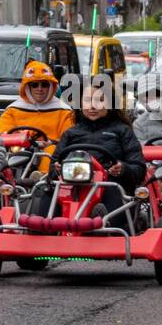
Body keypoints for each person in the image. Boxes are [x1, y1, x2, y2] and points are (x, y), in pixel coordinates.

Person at [35, 77, 146, 231]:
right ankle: (42, 230)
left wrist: (123, 169)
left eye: (99, 100)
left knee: (113, 192)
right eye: (87, 100)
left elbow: (139, 168)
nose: (92, 106)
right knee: (48, 190)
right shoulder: (71, 133)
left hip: (108, 184)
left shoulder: (122, 131)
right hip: (70, 186)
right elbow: (53, 166)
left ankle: (106, 229)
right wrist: (57, 169)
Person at [0, 60, 74, 172]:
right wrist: (23, 140)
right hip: (20, 149)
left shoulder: (64, 111)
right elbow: (3, 133)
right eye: (35, 85)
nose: (39, 88)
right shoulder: (12, 110)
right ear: (27, 87)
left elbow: (68, 138)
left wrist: (51, 142)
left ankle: (43, 178)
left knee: (51, 151)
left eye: (44, 84)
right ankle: (8, 181)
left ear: (51, 86)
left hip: (50, 152)